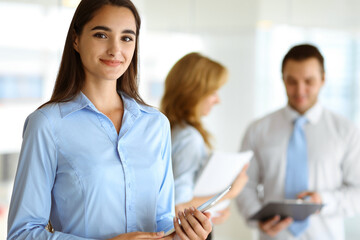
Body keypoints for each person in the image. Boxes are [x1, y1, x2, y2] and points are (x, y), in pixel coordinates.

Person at [7, 1, 212, 239]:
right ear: (76, 39)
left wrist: (184, 234)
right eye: (101, 35)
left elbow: (161, 222)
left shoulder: (156, 124)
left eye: (127, 38)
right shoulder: (47, 124)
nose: (115, 49)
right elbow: (22, 233)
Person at [236, 44, 360, 240]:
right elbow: (244, 185)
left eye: (309, 81)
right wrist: (257, 217)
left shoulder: (346, 131)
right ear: (282, 80)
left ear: (323, 79)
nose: (300, 90)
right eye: (291, 81)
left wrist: (324, 201)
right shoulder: (258, 130)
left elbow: (357, 190)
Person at [161, 52, 249, 240]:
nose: (217, 100)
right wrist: (229, 192)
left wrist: (214, 210)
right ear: (195, 92)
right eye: (212, 92)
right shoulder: (188, 138)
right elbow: (179, 206)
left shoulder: (168, 129)